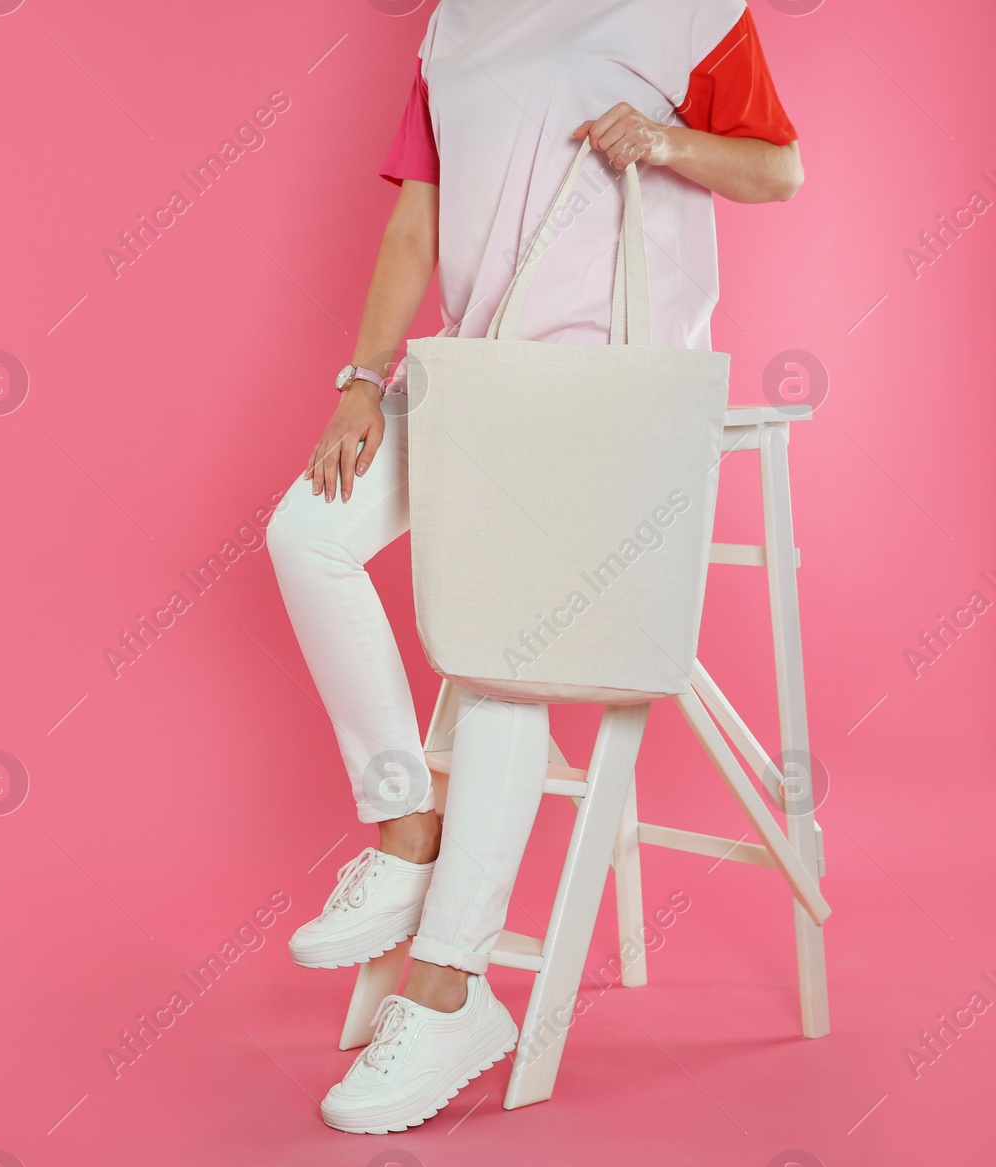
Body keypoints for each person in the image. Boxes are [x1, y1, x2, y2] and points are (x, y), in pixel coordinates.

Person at [264, 0, 802, 1135]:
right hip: (477, 375)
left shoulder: (690, 11)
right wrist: (361, 384)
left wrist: (659, 142)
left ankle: (449, 987)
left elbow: (777, 171)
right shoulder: (453, 25)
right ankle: (408, 825)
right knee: (305, 537)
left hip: (601, 384)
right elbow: (418, 218)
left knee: (507, 648)